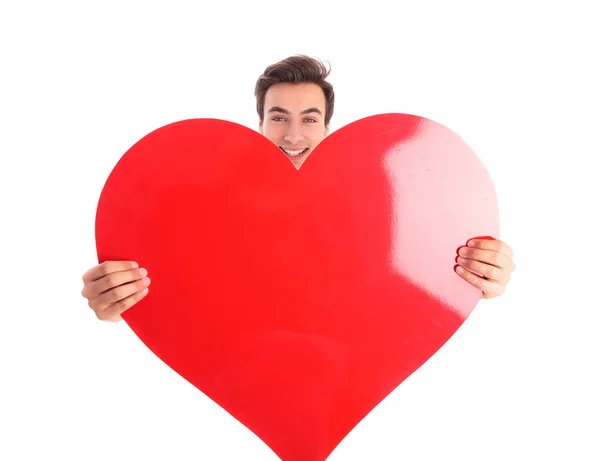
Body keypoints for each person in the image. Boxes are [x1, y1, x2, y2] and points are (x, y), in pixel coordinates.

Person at [81, 55, 516, 322]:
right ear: (259, 125)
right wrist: (120, 302)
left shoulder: (376, 207)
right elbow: (181, 286)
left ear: (328, 128)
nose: (293, 134)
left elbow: (407, 277)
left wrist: (476, 281)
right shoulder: (209, 207)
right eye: (278, 117)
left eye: (309, 119)